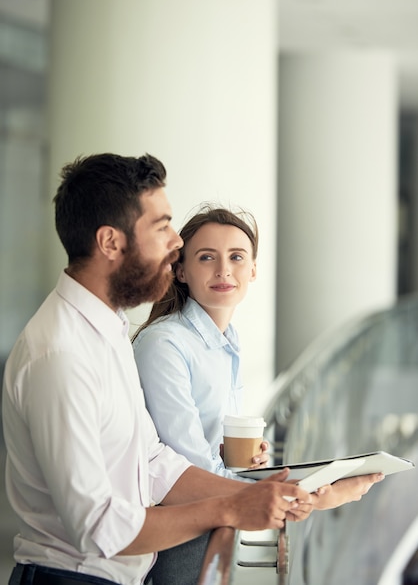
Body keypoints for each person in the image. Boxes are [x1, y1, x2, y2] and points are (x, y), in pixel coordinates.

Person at [2, 152, 323, 585]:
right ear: (111, 243)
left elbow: (155, 463)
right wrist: (231, 507)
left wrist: (262, 494)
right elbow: (100, 527)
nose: (176, 242)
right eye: (161, 226)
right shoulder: (61, 356)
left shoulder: (107, 329)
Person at [132, 204, 384, 585]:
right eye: (206, 258)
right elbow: (189, 474)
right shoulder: (165, 344)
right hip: (186, 535)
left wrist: (247, 461)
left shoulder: (225, 343)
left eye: (236, 257)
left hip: (224, 525)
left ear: (253, 269)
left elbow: (214, 458)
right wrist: (313, 496)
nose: (223, 270)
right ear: (180, 270)